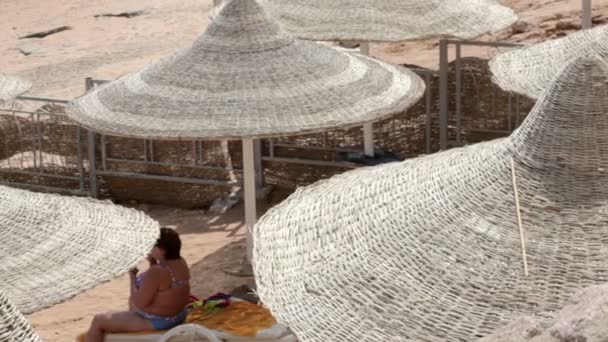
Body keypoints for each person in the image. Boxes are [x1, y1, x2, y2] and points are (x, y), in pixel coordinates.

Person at [84, 227, 190, 342]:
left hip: (160, 321)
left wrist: (132, 276)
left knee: (99, 320)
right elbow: (163, 285)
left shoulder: (157, 272)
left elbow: (139, 302)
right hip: (178, 315)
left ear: (161, 250)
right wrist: (152, 262)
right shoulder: (181, 262)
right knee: (129, 305)